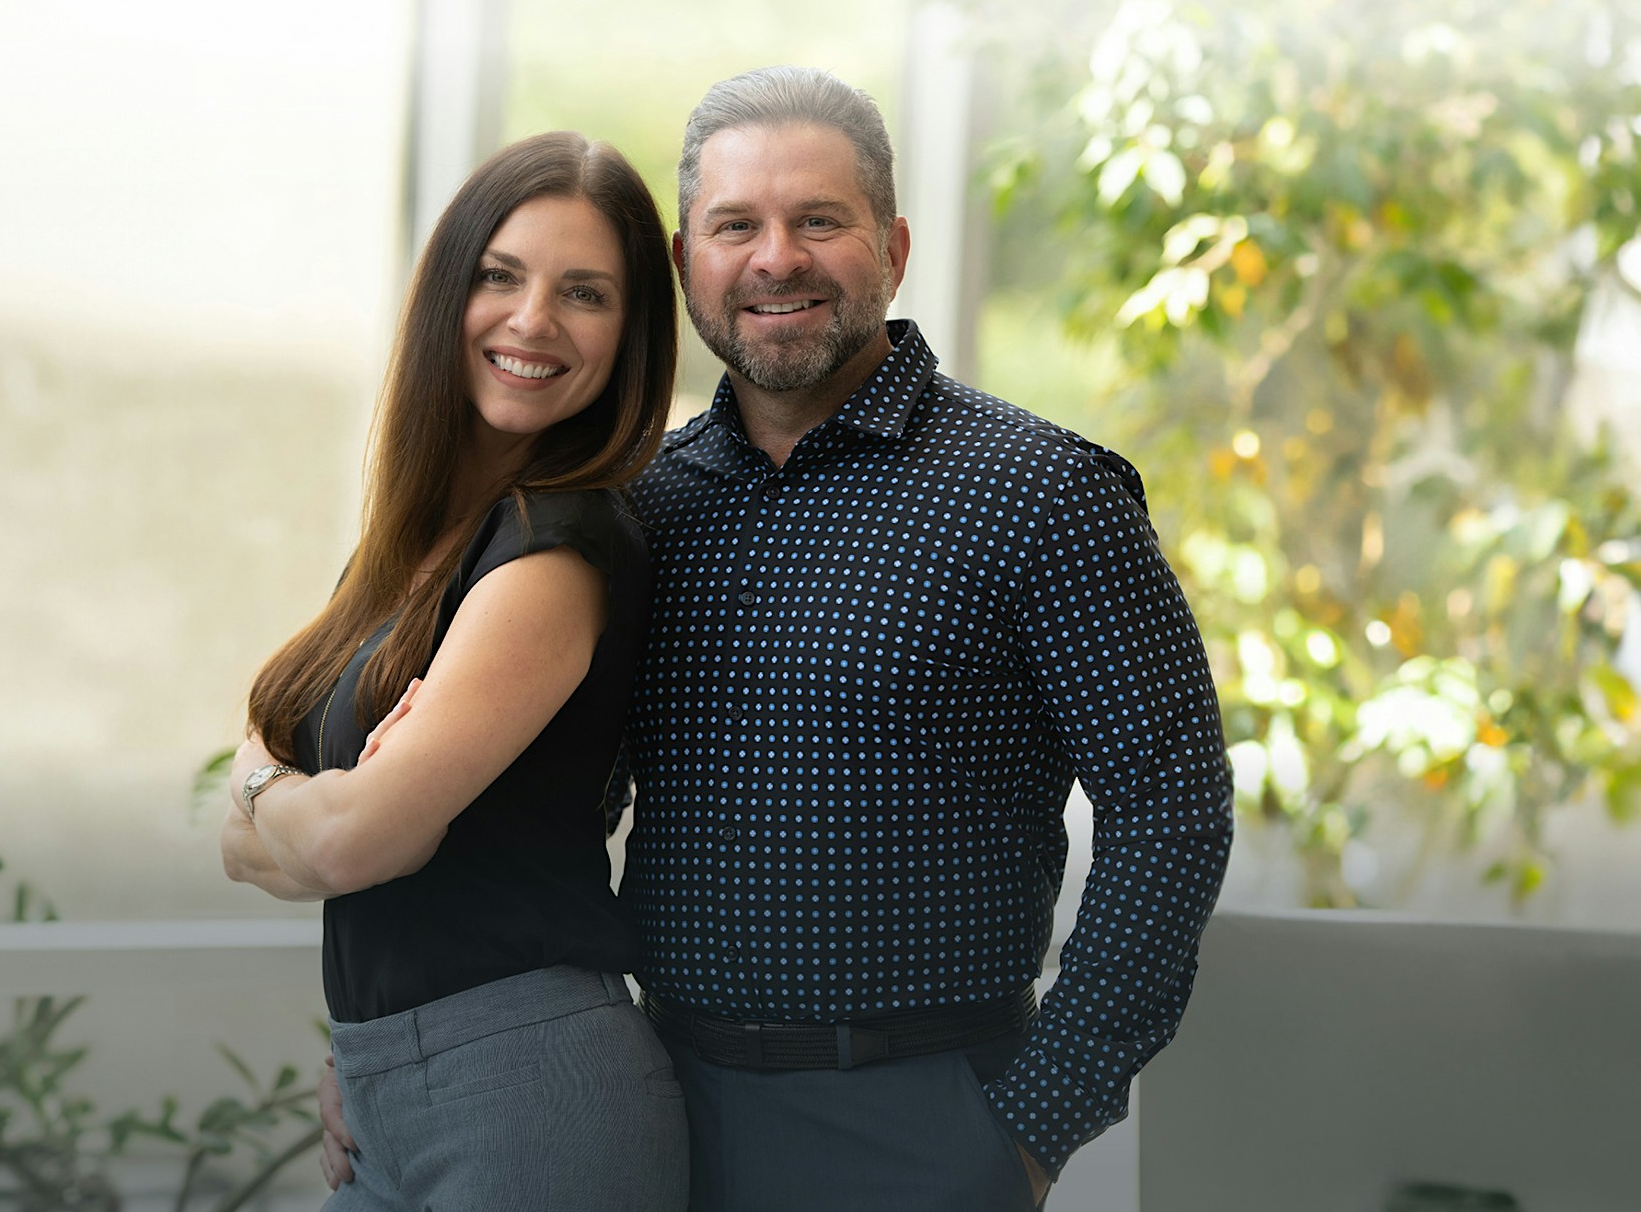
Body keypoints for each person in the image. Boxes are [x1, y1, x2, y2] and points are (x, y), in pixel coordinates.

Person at [322, 67, 1234, 1211]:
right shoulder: (629, 506)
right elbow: (528, 817)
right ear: (683, 261)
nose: (776, 258)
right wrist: (405, 1050)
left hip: (916, 1121)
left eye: (819, 221)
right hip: (647, 1103)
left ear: (894, 247)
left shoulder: (1043, 495)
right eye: (736, 225)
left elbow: (1172, 807)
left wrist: (1032, 1127)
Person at [221, 130, 687, 1212]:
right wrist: (292, 795)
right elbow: (253, 841)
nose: (533, 321)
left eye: (585, 293)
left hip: (529, 1089)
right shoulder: (410, 550)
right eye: (500, 276)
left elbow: (347, 842)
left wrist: (301, 802)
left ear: (629, 336)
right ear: (449, 292)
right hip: (390, 1083)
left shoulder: (555, 547)